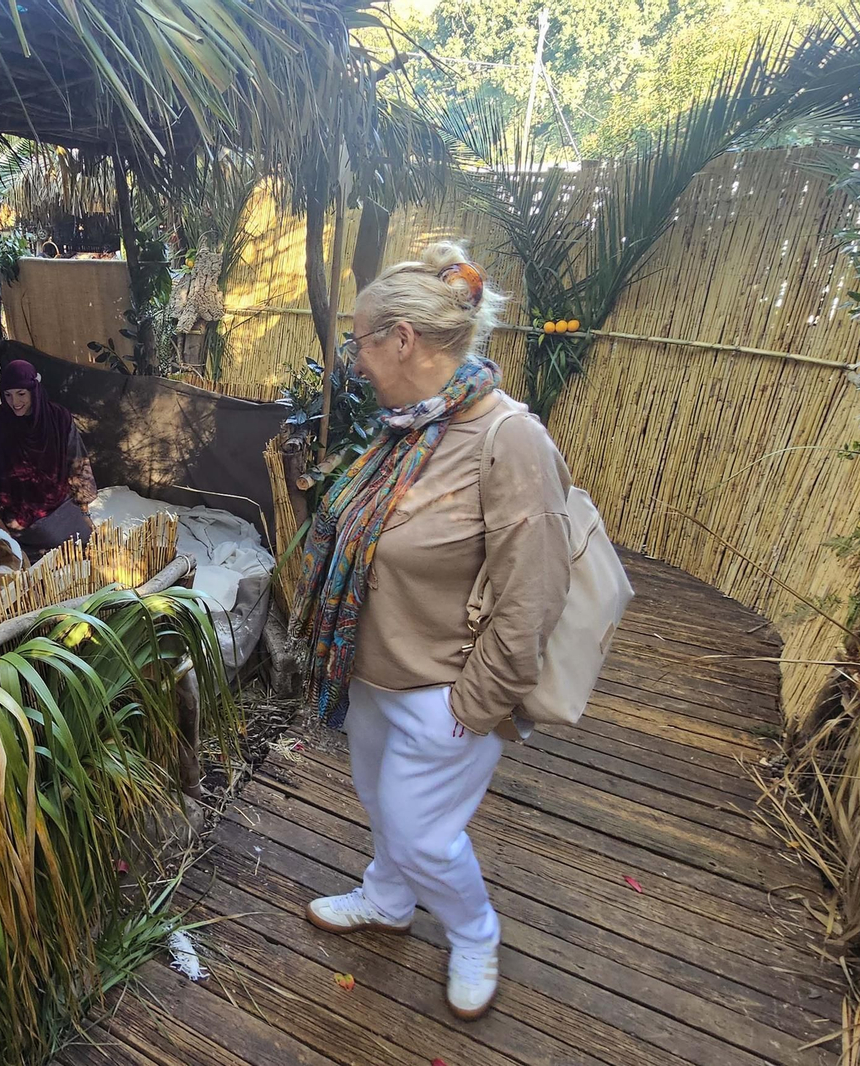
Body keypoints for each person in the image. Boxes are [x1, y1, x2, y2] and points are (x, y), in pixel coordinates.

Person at [294, 242, 572, 1021]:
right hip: (375, 676)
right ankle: (387, 901)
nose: (354, 356)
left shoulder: (506, 439)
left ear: (401, 340)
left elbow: (535, 593)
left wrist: (475, 704)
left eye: (359, 340)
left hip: (446, 691)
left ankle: (476, 932)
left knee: (424, 837)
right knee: (385, 810)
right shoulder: (405, 430)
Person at [0, 359, 98, 555]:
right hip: (18, 514)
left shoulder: (58, 418)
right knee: (46, 547)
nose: (15, 403)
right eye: (8, 395)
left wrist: (84, 511)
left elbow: (77, 462)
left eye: (21, 394)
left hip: (59, 502)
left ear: (34, 390)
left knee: (87, 541)